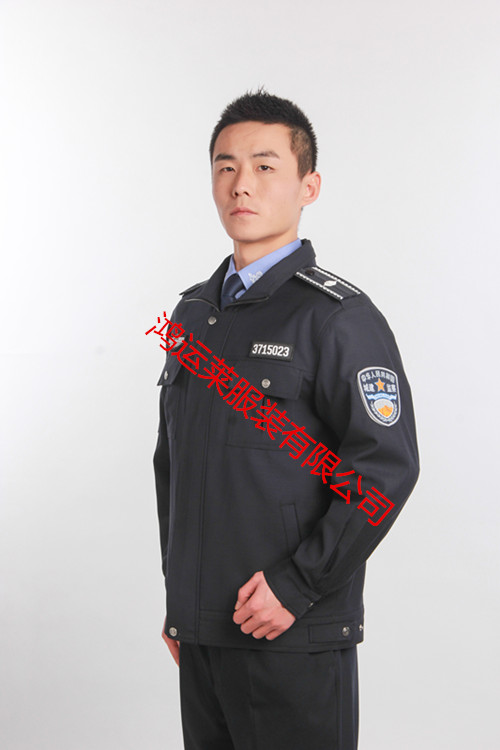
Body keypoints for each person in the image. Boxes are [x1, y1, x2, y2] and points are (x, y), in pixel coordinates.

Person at [153, 89, 419, 750]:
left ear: (309, 186)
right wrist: (184, 603)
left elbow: (384, 470)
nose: (241, 184)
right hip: (205, 635)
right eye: (226, 166)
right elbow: (173, 466)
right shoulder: (192, 315)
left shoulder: (337, 318)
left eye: (265, 166)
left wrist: (297, 586)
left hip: (292, 635)